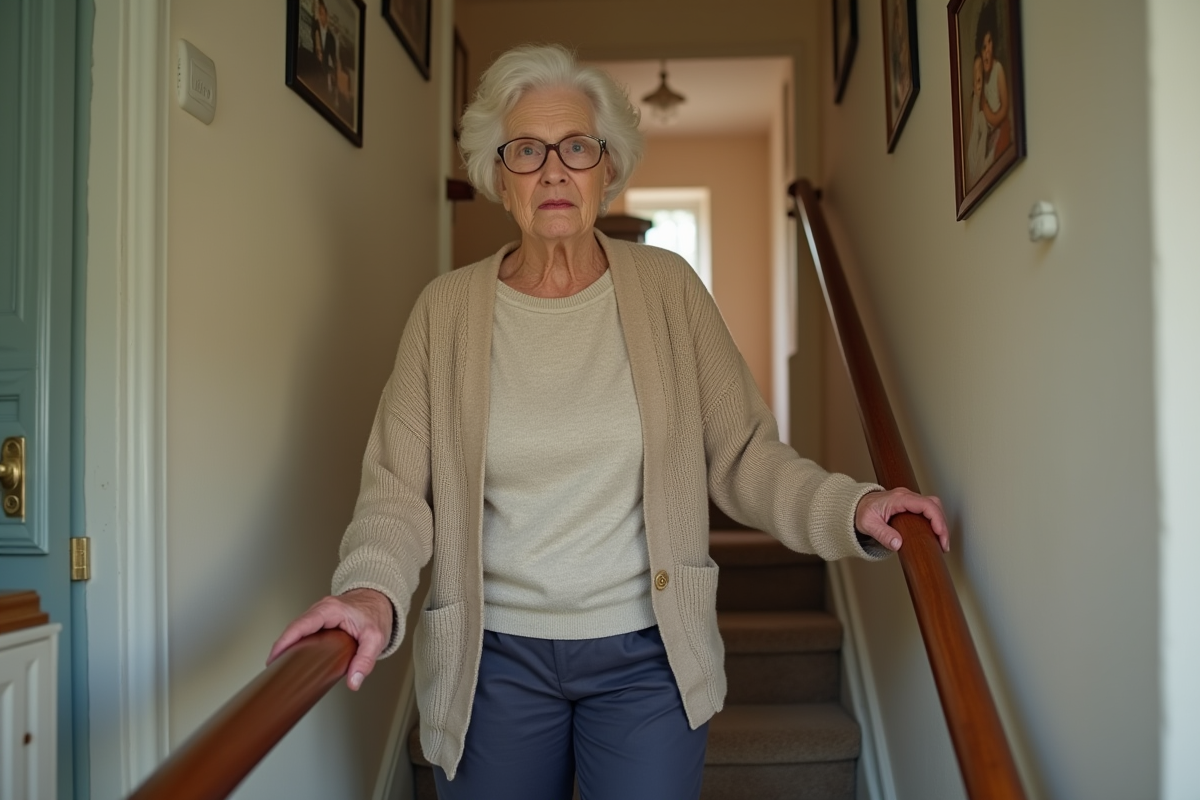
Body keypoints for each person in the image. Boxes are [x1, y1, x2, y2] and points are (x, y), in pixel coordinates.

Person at [268, 43, 950, 800]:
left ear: (609, 169)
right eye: (525, 150)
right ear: (497, 176)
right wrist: (369, 590)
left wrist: (854, 506)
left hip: (648, 654)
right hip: (493, 660)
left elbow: (746, 457)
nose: (553, 170)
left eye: (577, 148)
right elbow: (397, 492)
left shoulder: (669, 290)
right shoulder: (446, 312)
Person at [977, 1, 1011, 158]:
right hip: (989, 132)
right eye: (983, 47)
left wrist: (993, 119)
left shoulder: (998, 70)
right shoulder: (981, 77)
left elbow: (1004, 108)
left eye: (989, 42)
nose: (987, 50)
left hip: (999, 127)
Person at [966, 53, 994, 187]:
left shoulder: (990, 103)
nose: (978, 75)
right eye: (975, 72)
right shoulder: (973, 107)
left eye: (980, 71)